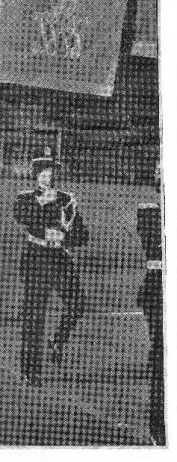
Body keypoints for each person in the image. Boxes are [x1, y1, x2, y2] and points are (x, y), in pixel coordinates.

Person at [13, 154, 89, 388]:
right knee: (34, 315)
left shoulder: (67, 199)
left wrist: (68, 235)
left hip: (59, 258)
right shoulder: (26, 197)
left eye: (51, 174)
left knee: (77, 303)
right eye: (44, 174)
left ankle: (57, 340)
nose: (48, 178)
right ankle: (30, 369)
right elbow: (23, 217)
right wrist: (50, 224)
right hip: (37, 257)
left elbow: (82, 234)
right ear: (36, 176)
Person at [136, 162, 165, 445]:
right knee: (162, 357)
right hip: (159, 288)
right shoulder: (150, 212)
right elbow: (155, 247)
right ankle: (160, 428)